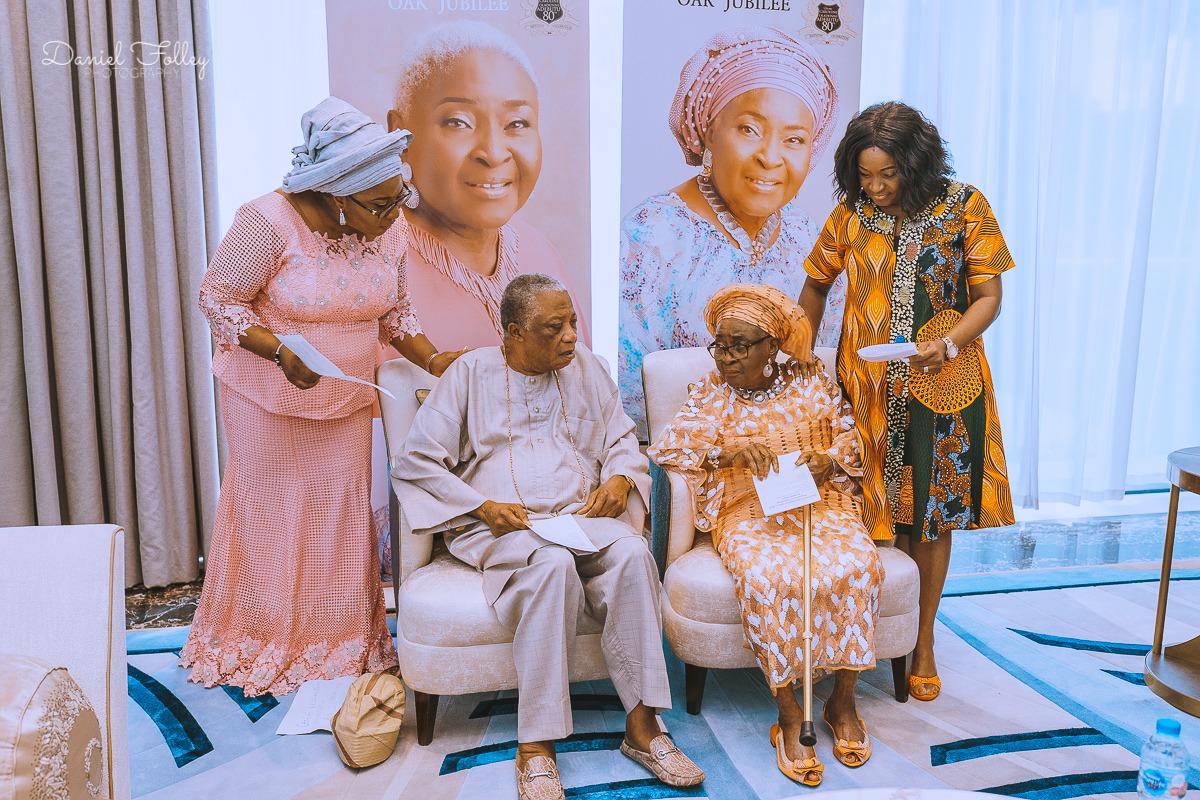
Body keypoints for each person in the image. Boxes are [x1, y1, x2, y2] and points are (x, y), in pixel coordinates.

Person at [180, 97, 461, 697]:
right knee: (274, 516)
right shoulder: (267, 221)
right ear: (337, 195)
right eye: (380, 205)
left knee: (338, 518)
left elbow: (395, 314)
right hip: (268, 399)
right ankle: (262, 639)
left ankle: (338, 640)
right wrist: (279, 350)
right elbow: (217, 299)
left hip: (345, 401)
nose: (395, 214)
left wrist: (435, 360)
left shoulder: (387, 226)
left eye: (400, 197)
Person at [392, 274, 704, 800]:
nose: (570, 337)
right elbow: (416, 461)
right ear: (513, 333)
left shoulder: (587, 367)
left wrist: (619, 478)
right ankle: (536, 744)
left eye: (572, 323)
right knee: (552, 565)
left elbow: (622, 437)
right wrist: (482, 507)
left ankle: (644, 725)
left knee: (633, 553)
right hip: (506, 526)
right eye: (553, 327)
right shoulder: (469, 373)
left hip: (581, 518)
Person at [799, 101, 1015, 702]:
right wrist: (801, 357)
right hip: (865, 391)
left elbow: (988, 296)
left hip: (942, 387)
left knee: (929, 515)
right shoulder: (851, 214)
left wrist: (948, 344)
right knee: (863, 513)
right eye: (864, 174)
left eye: (888, 174)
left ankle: (922, 642)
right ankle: (862, 638)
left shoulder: (965, 206)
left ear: (916, 165)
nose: (875, 186)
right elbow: (816, 283)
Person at [649, 284, 881, 787]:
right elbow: (668, 449)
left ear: (772, 346)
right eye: (720, 345)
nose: (726, 357)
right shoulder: (710, 393)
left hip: (820, 503)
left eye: (740, 346)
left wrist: (829, 459)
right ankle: (790, 715)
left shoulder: (811, 381)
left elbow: (851, 437)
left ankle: (842, 702)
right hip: (748, 510)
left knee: (858, 564)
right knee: (767, 575)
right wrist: (727, 453)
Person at [619, 25, 845, 438]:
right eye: (749, 129)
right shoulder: (649, 238)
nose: (770, 157)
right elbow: (632, 402)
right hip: (686, 459)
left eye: (794, 139)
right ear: (708, 131)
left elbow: (825, 371)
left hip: (793, 454)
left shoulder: (811, 239)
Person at [384, 20, 591, 351]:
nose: (493, 153)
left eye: (516, 123)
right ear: (400, 135)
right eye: (458, 122)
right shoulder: (375, 267)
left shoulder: (539, 252)